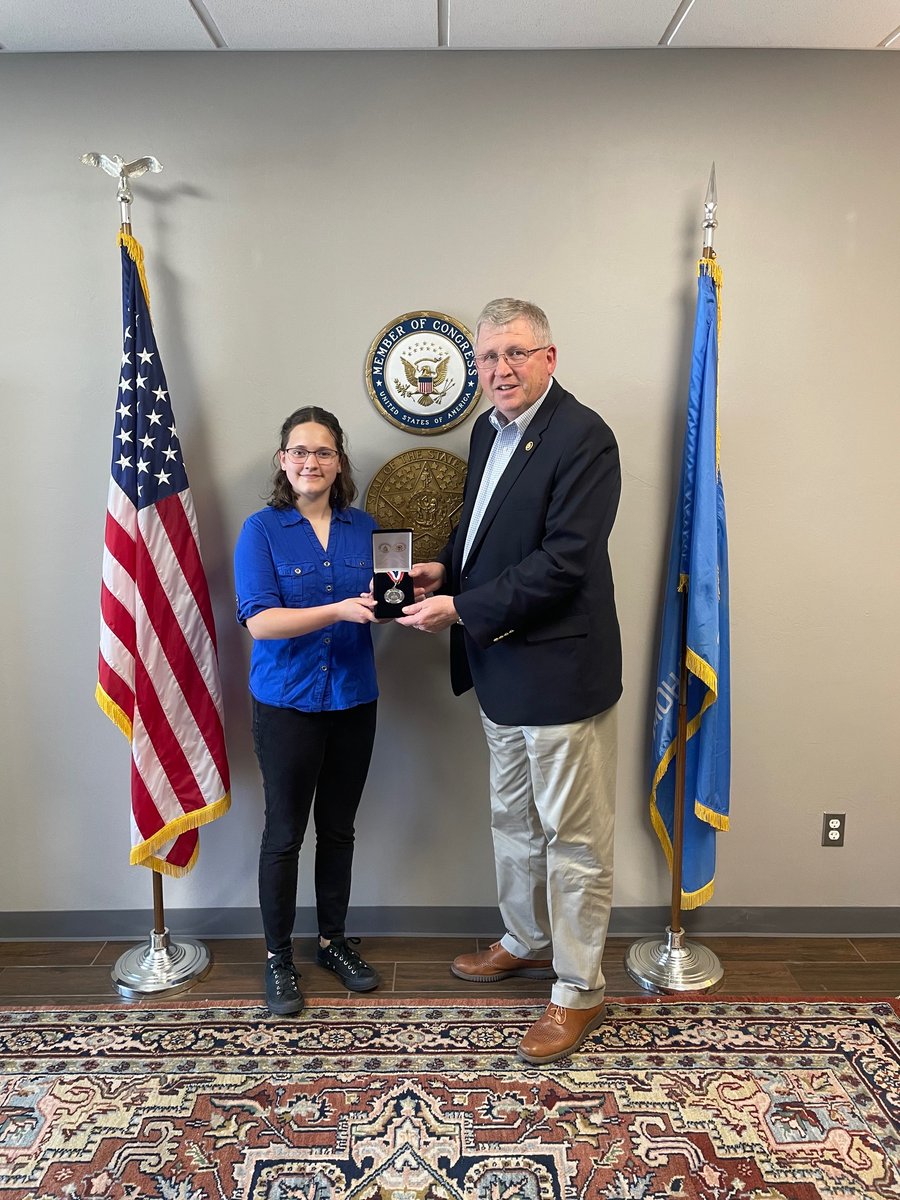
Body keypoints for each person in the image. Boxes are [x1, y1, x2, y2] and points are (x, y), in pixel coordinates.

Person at [397, 299, 622, 1064]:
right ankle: (525, 940)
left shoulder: (585, 438)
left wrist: (460, 606)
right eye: (490, 357)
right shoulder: (487, 428)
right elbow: (482, 529)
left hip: (560, 674)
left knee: (575, 842)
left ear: (550, 357)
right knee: (514, 822)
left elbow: (562, 563)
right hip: (500, 670)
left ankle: (578, 989)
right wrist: (444, 570)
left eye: (516, 354)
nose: (501, 370)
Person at [234, 405, 381, 1016]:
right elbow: (262, 621)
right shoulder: (261, 530)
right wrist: (340, 610)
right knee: (284, 833)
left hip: (354, 699)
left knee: (340, 829)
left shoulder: (365, 527)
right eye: (299, 451)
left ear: (339, 461)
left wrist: (414, 599)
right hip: (287, 704)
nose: (310, 462)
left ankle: (332, 942)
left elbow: (385, 601)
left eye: (322, 452)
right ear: (282, 461)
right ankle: (277, 957)